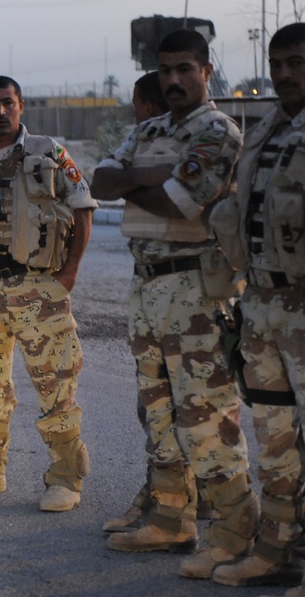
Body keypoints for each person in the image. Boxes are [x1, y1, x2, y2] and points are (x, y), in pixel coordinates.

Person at [90, 29, 255, 580]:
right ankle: (170, 519)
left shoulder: (218, 133)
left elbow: (179, 203)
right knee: (158, 413)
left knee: (206, 416)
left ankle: (235, 531)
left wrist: (135, 180)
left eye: (186, 69)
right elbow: (101, 179)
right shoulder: (149, 130)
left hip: (197, 292)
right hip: (148, 286)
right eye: (166, 71)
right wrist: (148, 174)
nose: (175, 79)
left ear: (206, 71)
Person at [208, 22, 305, 594]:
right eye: (277, 62)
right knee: (274, 439)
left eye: (297, 62)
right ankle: (279, 549)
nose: (285, 73)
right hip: (263, 305)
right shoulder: (267, 127)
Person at [0, 75, 96, 512]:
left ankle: (65, 478)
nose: (0, 111)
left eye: (8, 103)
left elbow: (83, 209)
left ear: (21, 106)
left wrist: (70, 272)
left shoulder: (49, 153)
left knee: (56, 383)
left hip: (39, 288)